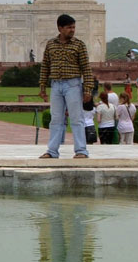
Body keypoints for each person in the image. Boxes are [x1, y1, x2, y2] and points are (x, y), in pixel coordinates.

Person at [38, 13, 95, 159]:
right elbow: (45, 66)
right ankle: (52, 151)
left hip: (73, 84)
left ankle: (81, 150)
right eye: (69, 27)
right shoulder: (51, 44)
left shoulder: (79, 45)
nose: (72, 30)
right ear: (60, 28)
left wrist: (88, 89)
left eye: (74, 27)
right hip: (56, 85)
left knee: (77, 119)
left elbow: (86, 69)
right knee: (56, 119)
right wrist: (42, 86)